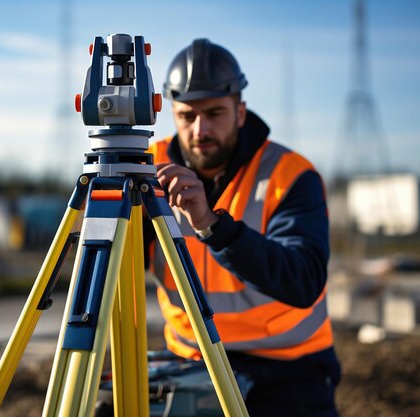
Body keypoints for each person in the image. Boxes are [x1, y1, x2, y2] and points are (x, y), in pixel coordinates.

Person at [145, 38, 341, 417]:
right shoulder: (148, 168)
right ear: (172, 114)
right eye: (187, 115)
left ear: (240, 111)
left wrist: (211, 226)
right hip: (190, 360)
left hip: (286, 367)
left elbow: (303, 280)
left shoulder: (289, 175)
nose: (200, 129)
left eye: (215, 113)